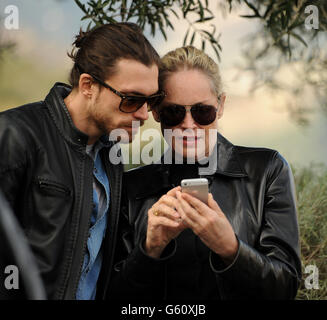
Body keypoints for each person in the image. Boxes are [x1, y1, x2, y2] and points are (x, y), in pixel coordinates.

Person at [109, 46, 302, 300]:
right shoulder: (132, 186)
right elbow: (112, 294)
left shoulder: (268, 170)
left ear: (220, 106)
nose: (189, 125)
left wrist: (230, 248)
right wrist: (150, 249)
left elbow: (286, 286)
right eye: (173, 112)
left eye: (203, 112)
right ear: (156, 112)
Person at [0, 22, 164, 299]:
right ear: (88, 85)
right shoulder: (15, 134)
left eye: (151, 100)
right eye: (132, 99)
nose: (143, 115)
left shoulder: (110, 154)